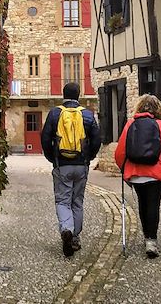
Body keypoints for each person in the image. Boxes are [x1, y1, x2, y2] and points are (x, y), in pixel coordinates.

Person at [114, 94, 161, 258]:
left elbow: (119, 153)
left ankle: (147, 236)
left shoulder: (130, 125)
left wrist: (124, 170)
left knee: (143, 204)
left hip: (136, 174)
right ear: (159, 109)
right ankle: (151, 241)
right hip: (155, 174)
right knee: (153, 205)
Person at [41, 82, 101, 257]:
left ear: (63, 94)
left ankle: (66, 228)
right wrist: (88, 158)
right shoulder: (88, 115)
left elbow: (45, 139)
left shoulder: (55, 114)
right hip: (81, 165)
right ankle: (74, 237)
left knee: (62, 201)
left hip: (62, 165)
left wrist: (53, 159)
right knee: (77, 201)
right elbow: (97, 140)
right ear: (79, 95)